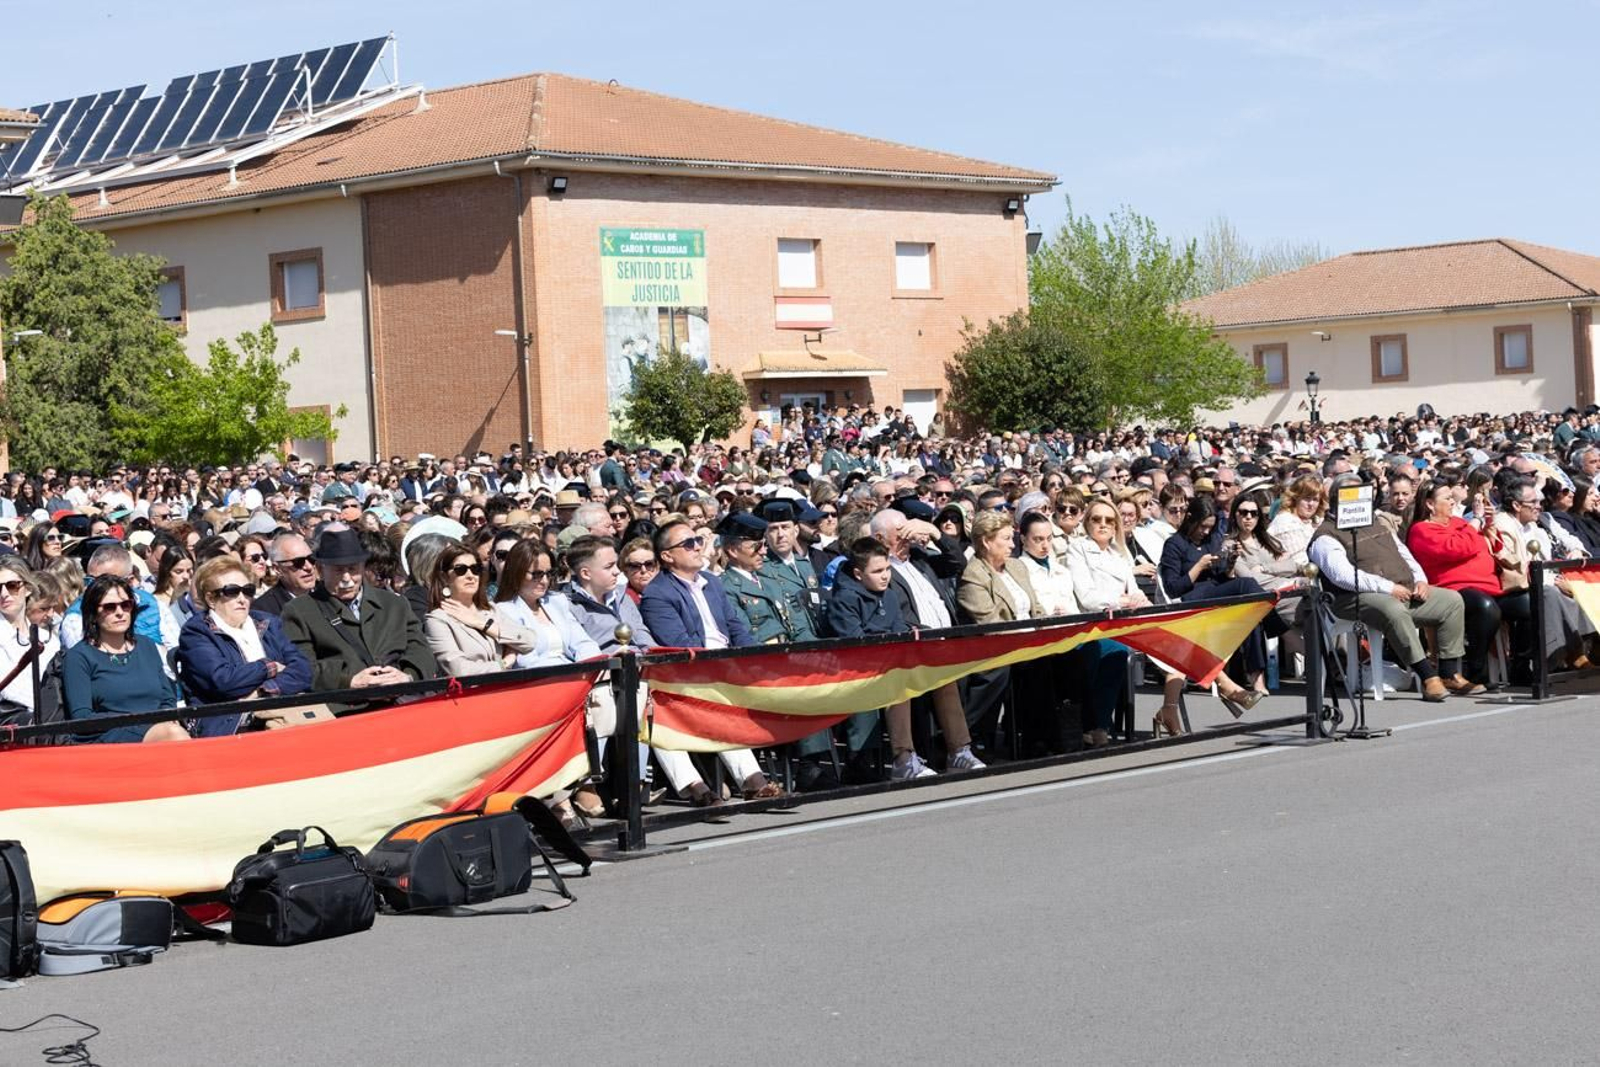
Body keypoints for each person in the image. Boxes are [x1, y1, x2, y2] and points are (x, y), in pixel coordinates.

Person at [636, 521, 782, 803]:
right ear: (667, 556)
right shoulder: (658, 593)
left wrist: (755, 659)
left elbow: (735, 627)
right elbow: (679, 643)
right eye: (688, 543)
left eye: (698, 541)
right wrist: (720, 666)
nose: (697, 547)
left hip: (725, 668)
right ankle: (703, 786)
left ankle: (750, 781)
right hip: (686, 675)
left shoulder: (711, 582)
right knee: (683, 712)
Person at [828, 536, 985, 779]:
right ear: (859, 574)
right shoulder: (844, 599)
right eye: (877, 571)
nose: (885, 576)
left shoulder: (888, 595)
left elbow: (899, 628)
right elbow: (854, 643)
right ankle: (903, 758)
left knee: (943, 676)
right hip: (864, 669)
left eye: (887, 569)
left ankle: (959, 750)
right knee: (898, 685)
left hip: (895, 660)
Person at [1308, 473, 1471, 702]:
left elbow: (1403, 553)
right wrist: (1387, 587)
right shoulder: (1325, 536)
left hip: (1400, 590)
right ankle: (1427, 676)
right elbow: (1342, 576)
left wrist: (1420, 580)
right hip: (1353, 599)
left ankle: (1448, 672)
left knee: (1451, 601)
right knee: (1392, 609)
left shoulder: (1376, 523)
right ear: (1337, 499)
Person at [280, 528, 438, 691]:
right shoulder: (299, 611)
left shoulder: (394, 604)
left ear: (363, 568)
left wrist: (407, 676)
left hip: (400, 698)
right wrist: (349, 681)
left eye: (353, 569)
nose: (346, 579)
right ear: (320, 570)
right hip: (346, 705)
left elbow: (420, 649)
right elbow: (302, 666)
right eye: (338, 571)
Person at [175, 556, 314, 735]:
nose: (242, 599)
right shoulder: (196, 632)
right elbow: (224, 681)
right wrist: (269, 666)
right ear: (210, 598)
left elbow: (303, 669)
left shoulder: (268, 622)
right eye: (232, 591)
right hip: (230, 721)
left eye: (247, 590)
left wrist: (263, 692)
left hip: (280, 710)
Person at [1158, 496, 1277, 700]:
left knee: (1252, 615)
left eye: (1209, 527)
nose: (1205, 531)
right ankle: (1277, 626)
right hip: (1192, 600)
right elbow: (1173, 588)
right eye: (1202, 526)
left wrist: (1230, 562)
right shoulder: (1174, 544)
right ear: (1190, 519)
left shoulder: (1211, 541)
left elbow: (1222, 577)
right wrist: (1198, 567)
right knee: (1247, 584)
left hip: (1216, 595)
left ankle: (1257, 678)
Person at [62, 575, 187, 744]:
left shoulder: (147, 646)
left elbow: (167, 698)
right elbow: (82, 717)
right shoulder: (79, 656)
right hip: (108, 736)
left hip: (159, 730)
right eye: (109, 607)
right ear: (93, 612)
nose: (120, 612)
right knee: (173, 735)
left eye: (126, 605)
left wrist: (163, 719)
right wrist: (142, 722)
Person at [1489, 477, 1594, 674]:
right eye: (1534, 503)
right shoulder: (1503, 525)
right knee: (1550, 593)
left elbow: (1572, 540)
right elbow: (1514, 567)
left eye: (1540, 501)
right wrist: (1553, 581)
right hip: (1515, 585)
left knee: (1578, 586)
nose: (1539, 506)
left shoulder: (1540, 521)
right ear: (1516, 505)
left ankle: (1585, 645)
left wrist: (1577, 551)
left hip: (1545, 575)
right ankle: (1563, 653)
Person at [1405, 479, 1500, 689]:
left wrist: (1488, 522)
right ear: (1430, 504)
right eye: (1446, 498)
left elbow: (1487, 544)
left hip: (1489, 583)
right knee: (1485, 607)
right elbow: (1457, 548)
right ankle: (1476, 671)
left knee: (1529, 602)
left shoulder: (1457, 523)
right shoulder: (1421, 530)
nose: (1452, 502)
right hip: (1453, 588)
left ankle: (1525, 665)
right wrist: (1475, 522)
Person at [422, 539, 541, 676]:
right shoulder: (438, 619)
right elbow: (459, 671)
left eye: (475, 569)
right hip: (469, 694)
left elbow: (529, 641)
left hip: (501, 690)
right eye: (460, 570)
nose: (470, 576)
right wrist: (504, 664)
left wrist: (482, 624)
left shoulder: (489, 610)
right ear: (444, 577)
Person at [0, 559, 55, 715]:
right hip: (15, 722)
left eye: (12, 586)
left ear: (28, 589)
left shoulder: (49, 638)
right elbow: (10, 692)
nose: (4, 594)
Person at [253, 532, 316, 616]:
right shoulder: (263, 610)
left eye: (311, 559)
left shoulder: (328, 595)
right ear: (277, 569)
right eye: (298, 562)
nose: (309, 567)